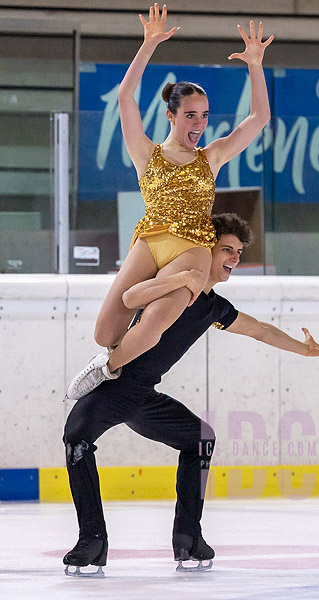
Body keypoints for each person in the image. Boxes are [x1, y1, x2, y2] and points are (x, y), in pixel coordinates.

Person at [62, 213, 319, 576]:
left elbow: (259, 329)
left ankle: (187, 538)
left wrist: (305, 350)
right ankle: (93, 540)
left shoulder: (213, 307)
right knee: (76, 439)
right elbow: (130, 298)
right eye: (227, 249)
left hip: (143, 393)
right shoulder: (172, 285)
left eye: (239, 252)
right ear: (203, 250)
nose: (234, 259)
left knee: (199, 439)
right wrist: (177, 278)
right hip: (117, 384)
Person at [65, 3, 274, 401]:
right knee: (105, 332)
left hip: (192, 248)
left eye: (205, 115)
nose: (200, 124)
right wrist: (148, 45)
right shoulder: (146, 154)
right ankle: (109, 353)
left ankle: (104, 370)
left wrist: (255, 64)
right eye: (191, 115)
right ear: (171, 115)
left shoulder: (211, 157)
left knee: (153, 325)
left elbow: (260, 117)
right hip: (149, 241)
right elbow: (126, 97)